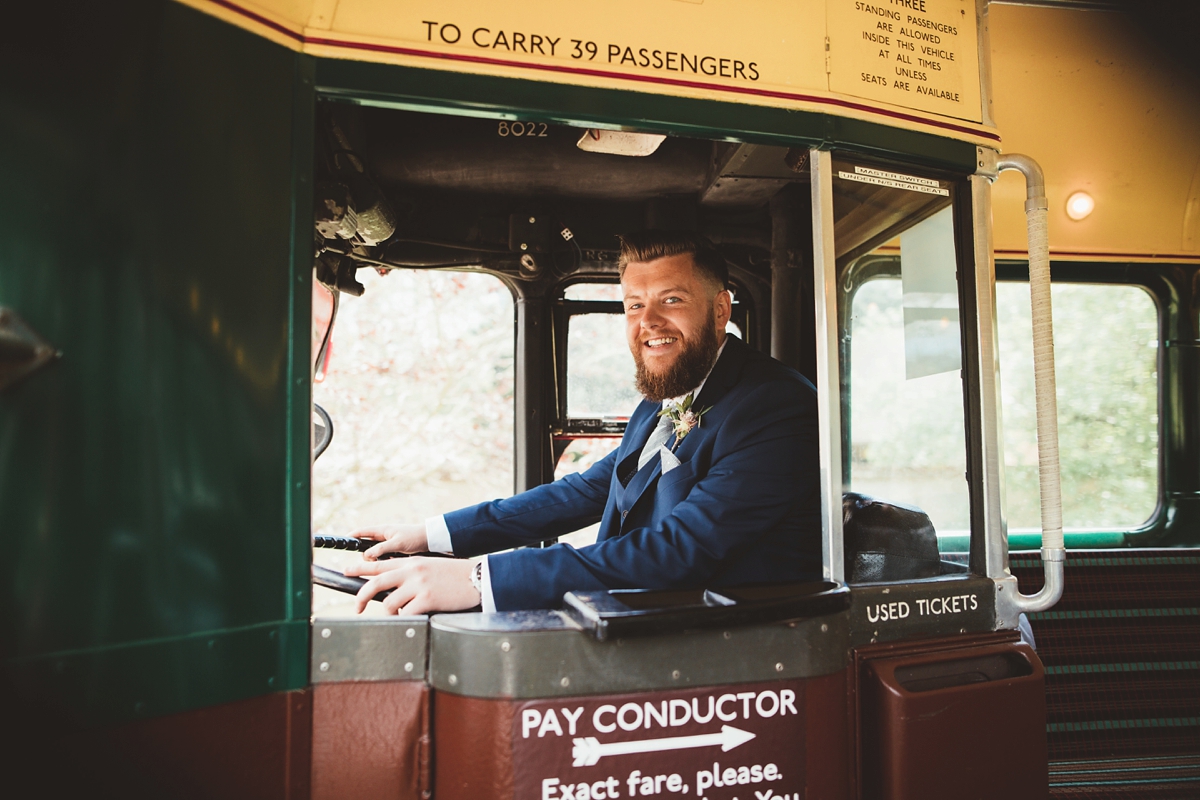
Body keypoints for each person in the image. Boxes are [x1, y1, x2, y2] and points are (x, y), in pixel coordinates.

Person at [345, 230, 821, 614]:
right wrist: (434, 535)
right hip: (637, 621)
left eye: (670, 299)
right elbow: (591, 489)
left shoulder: (775, 405)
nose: (648, 321)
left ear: (720, 310)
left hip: (726, 649)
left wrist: (479, 580)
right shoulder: (671, 392)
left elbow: (681, 551)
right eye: (634, 304)